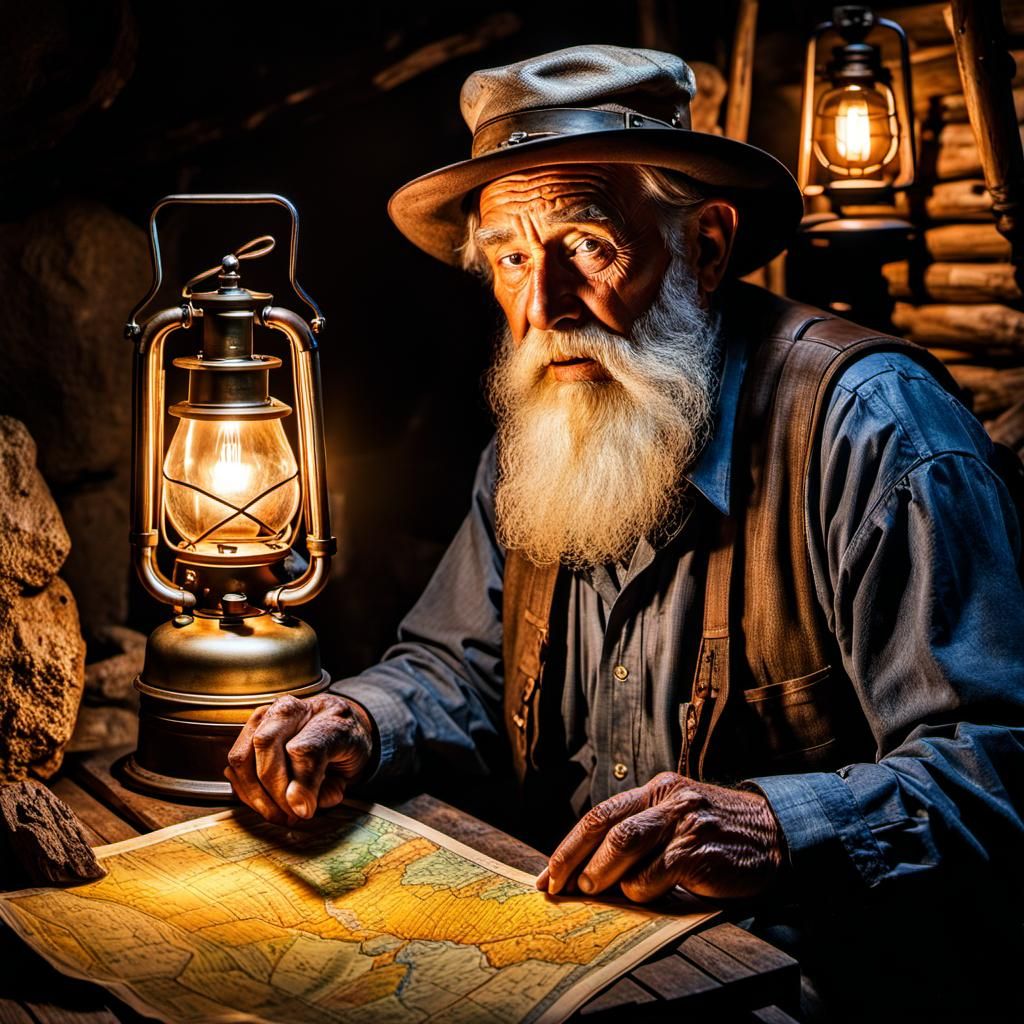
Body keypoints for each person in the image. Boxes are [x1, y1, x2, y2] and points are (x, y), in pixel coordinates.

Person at [225, 45, 1024, 1020]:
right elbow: (458, 668)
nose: (545, 309)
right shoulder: (545, 427)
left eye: (589, 246)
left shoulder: (874, 429)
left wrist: (778, 824)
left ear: (709, 246)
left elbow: (997, 761)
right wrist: (357, 718)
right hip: (585, 970)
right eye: (512, 259)